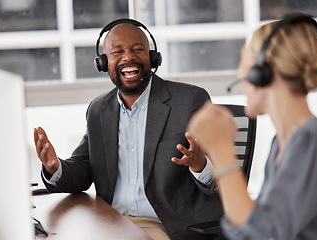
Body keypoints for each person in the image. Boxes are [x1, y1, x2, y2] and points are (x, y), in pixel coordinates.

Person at [34, 19, 223, 240]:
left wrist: (200, 165)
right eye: (117, 52)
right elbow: (84, 167)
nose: (128, 57)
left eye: (138, 49)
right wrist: (54, 167)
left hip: (166, 223)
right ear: (103, 63)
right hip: (110, 220)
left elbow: (223, 179)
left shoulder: (190, 100)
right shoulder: (99, 110)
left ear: (152, 58)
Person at [187, 13, 317, 240]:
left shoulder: (314, 140)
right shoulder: (281, 143)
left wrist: (221, 149)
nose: (239, 74)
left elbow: (265, 232)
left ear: (264, 71)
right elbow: (247, 228)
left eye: (244, 61)